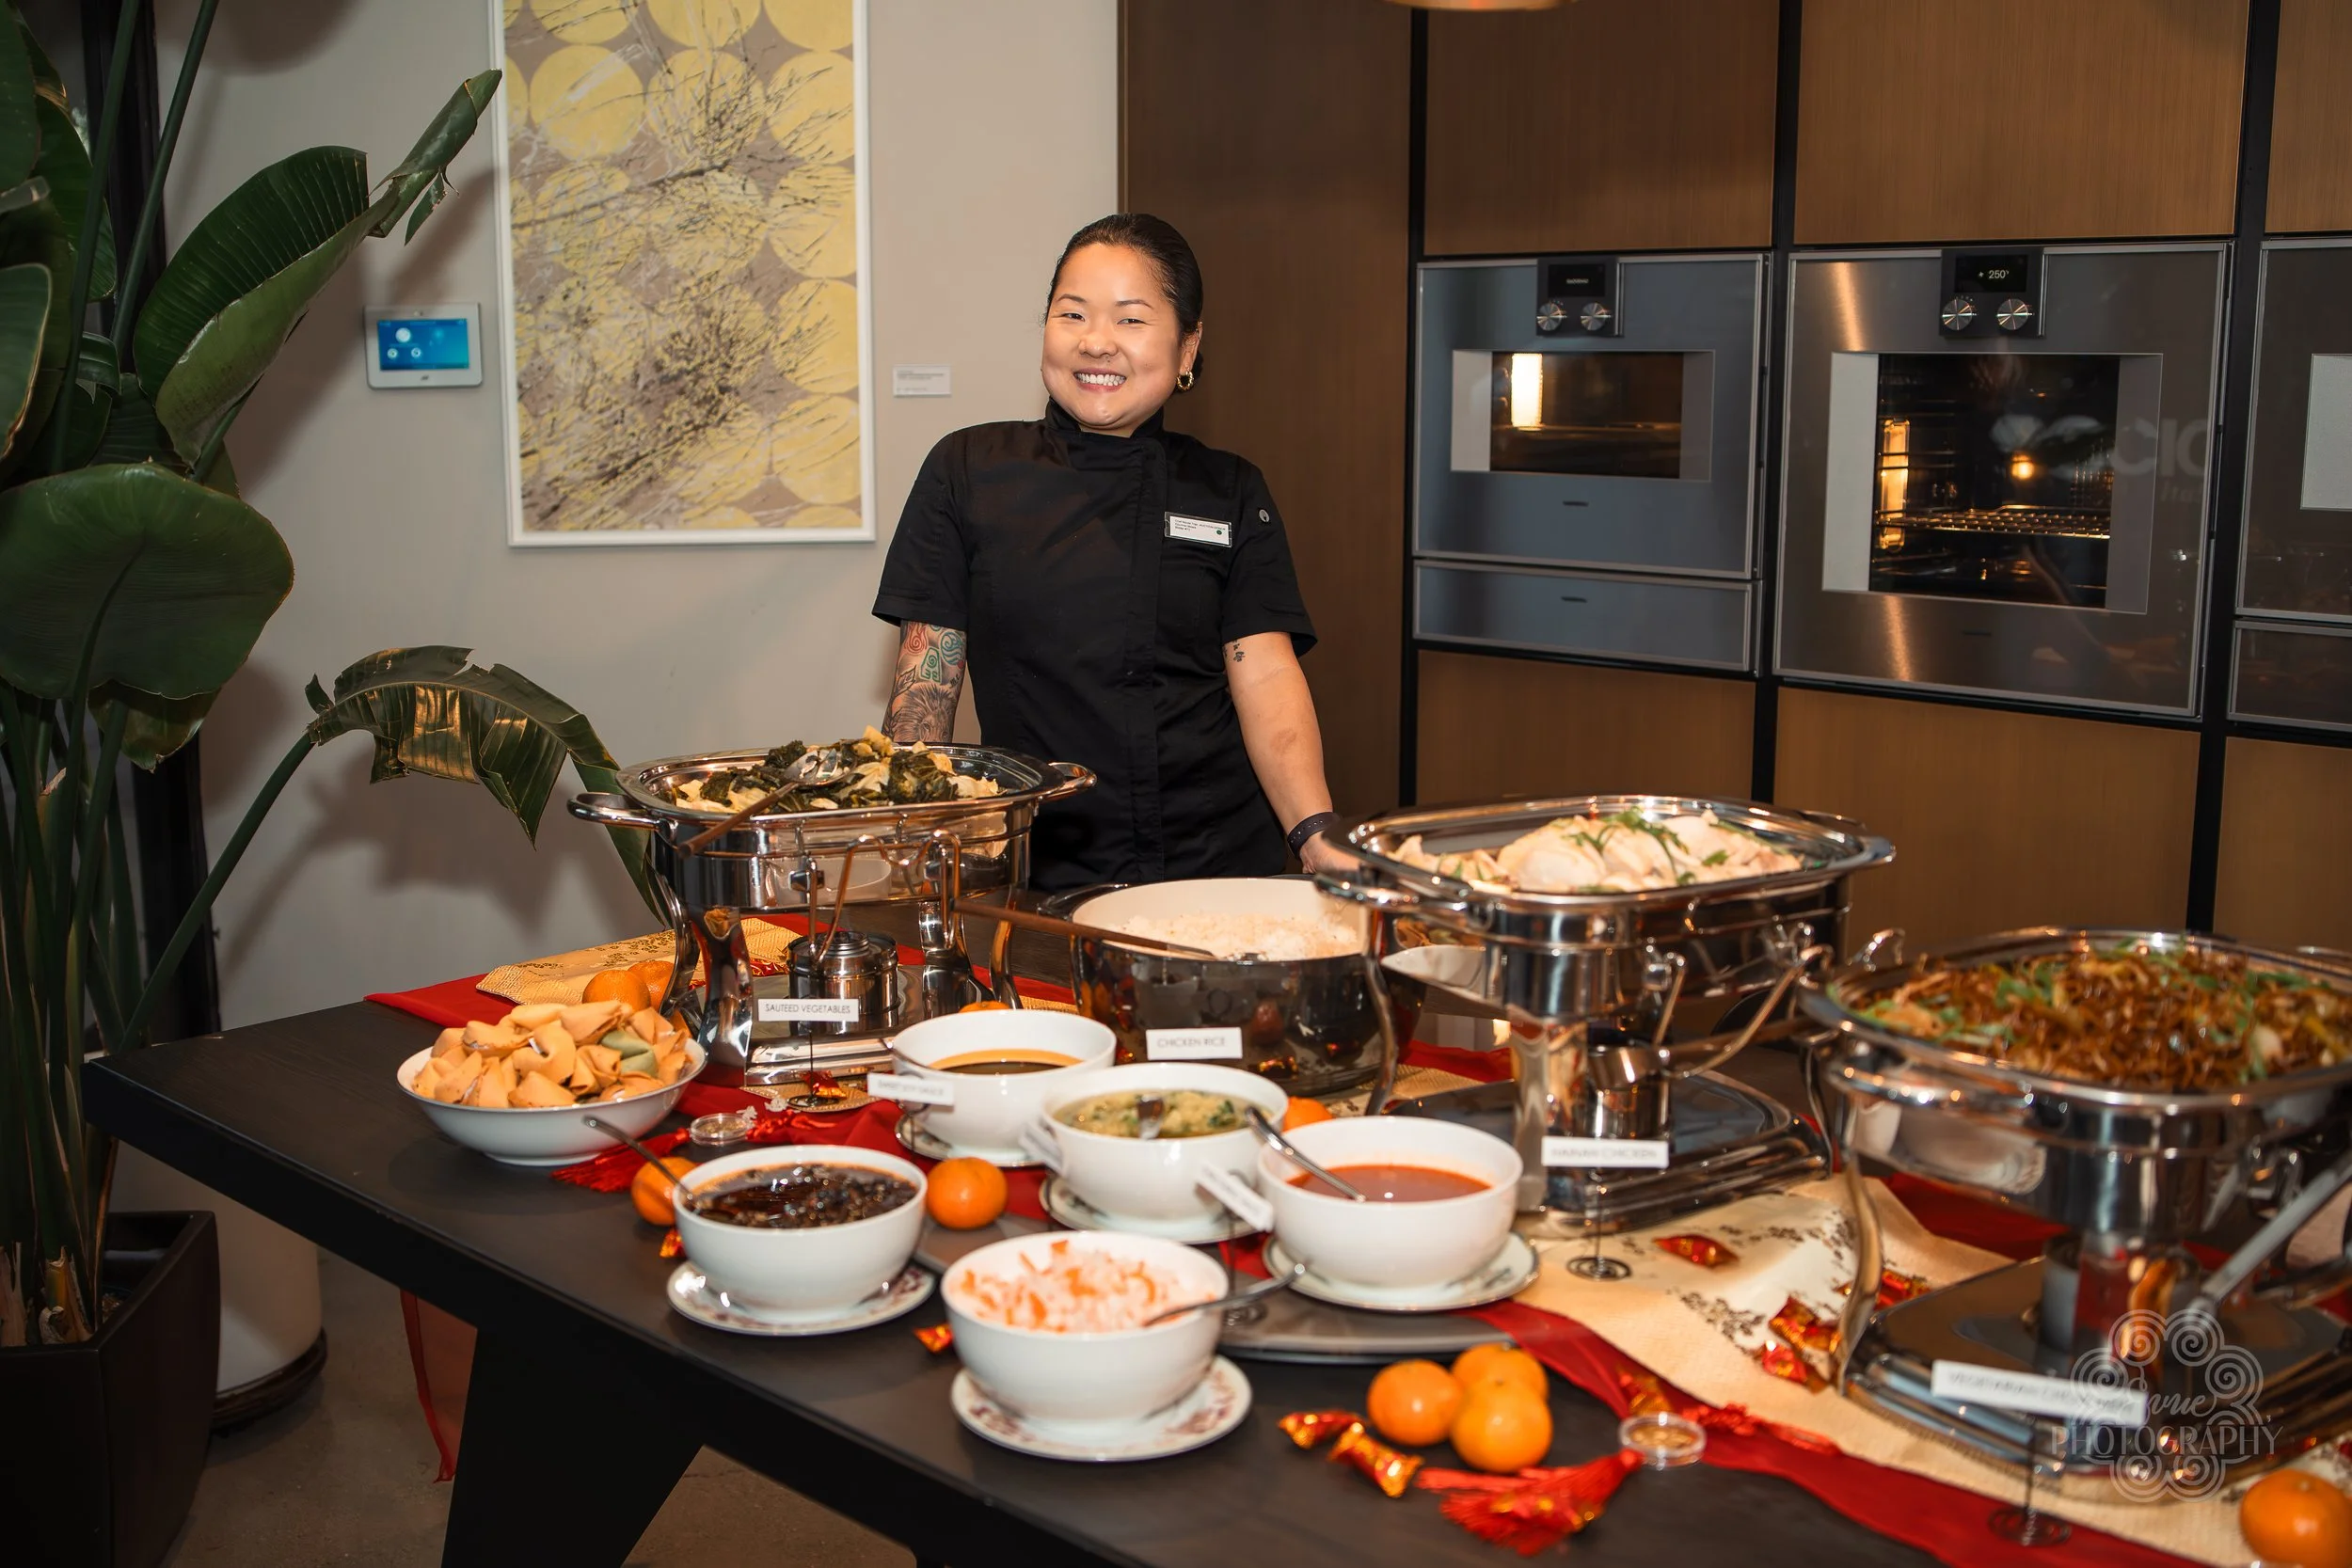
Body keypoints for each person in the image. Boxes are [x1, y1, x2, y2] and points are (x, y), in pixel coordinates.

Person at [871, 213, 1343, 891]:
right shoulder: (968, 469)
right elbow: (926, 676)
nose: (1096, 342)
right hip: (1038, 870)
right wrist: (910, 825)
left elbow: (1265, 675)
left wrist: (1313, 830)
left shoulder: (1229, 489)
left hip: (1216, 869)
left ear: (1187, 348)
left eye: (1129, 319)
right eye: (1073, 314)